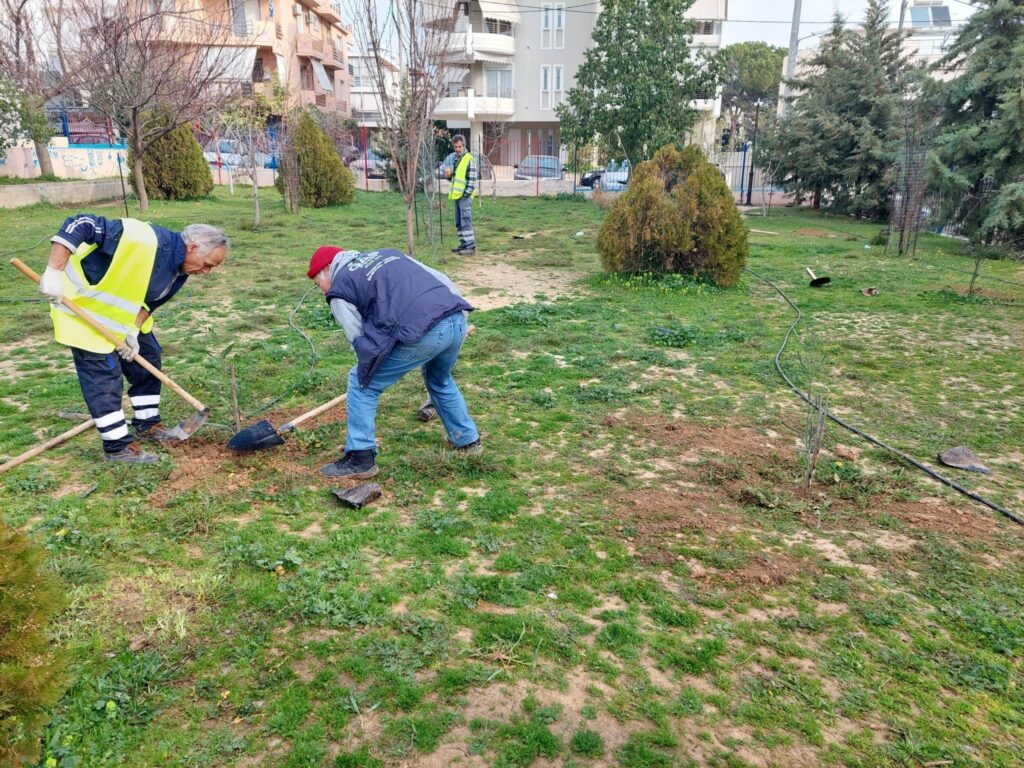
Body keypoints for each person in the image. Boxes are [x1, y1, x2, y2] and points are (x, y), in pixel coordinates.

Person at [38, 214, 229, 464]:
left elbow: (150, 302)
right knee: (104, 379)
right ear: (192, 247)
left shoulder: (180, 271)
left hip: (121, 319)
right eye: (207, 264)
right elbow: (81, 224)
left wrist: (133, 331)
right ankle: (117, 449)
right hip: (82, 311)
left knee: (146, 360)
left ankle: (147, 424)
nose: (206, 272)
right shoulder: (141, 239)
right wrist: (53, 272)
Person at [307, 245, 481, 479]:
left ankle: (361, 457)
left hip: (424, 332)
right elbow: (441, 279)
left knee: (361, 382)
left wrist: (370, 371)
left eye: (318, 283)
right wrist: (453, 324)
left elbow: (358, 339)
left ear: (327, 269)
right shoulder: (387, 254)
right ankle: (468, 441)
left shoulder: (340, 289)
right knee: (439, 379)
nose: (321, 291)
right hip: (455, 316)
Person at [444, 134, 477, 255]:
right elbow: (456, 178)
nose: (457, 149)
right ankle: (464, 244)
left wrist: (465, 195)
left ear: (464, 146)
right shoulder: (456, 159)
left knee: (465, 220)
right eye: (455, 147)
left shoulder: (469, 159)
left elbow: (472, 180)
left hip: (464, 197)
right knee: (458, 222)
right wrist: (448, 176)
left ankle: (470, 247)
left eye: (459, 147)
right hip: (457, 196)